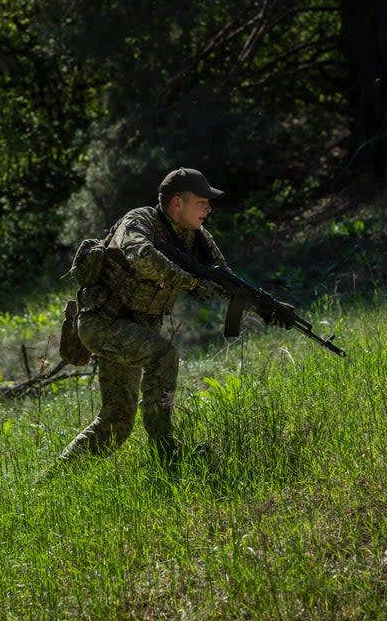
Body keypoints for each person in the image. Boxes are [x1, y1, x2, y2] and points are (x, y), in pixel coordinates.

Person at [59, 167, 255, 463]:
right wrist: (190, 282)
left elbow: (226, 280)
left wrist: (264, 307)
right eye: (202, 201)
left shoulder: (198, 237)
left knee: (116, 424)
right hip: (104, 323)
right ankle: (166, 451)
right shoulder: (138, 221)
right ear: (178, 203)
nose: (209, 208)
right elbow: (141, 257)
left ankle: (55, 482)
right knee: (163, 356)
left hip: (135, 328)